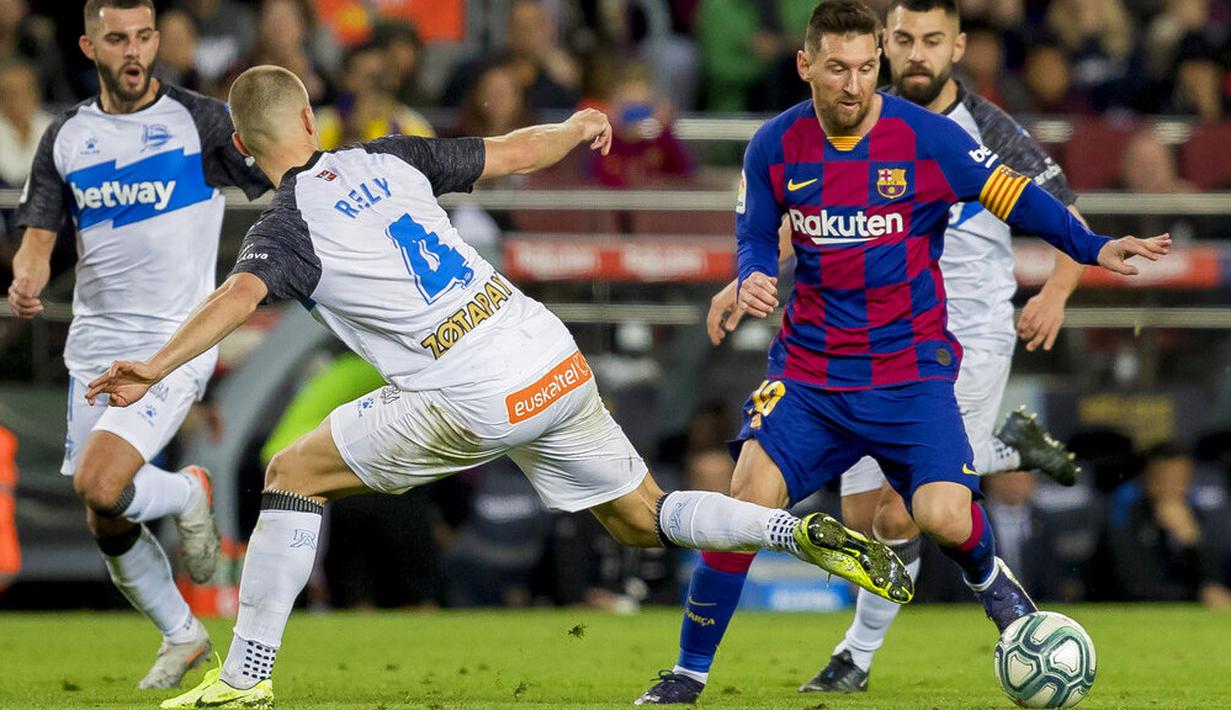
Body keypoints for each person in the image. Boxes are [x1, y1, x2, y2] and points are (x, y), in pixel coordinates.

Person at [85, 64, 912, 709]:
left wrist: (154, 365)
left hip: (468, 389)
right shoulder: (388, 155)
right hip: (545, 353)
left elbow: (238, 296)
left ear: (240, 140)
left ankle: (246, 675)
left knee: (291, 473)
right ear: (310, 119)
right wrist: (576, 126)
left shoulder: (286, 223)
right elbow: (513, 152)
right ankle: (788, 530)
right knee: (642, 517)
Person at [634, 1, 1170, 704]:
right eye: (837, 69)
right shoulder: (773, 144)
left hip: (910, 373)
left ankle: (999, 596)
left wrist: (1093, 248)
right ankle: (688, 673)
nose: (854, 85)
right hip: (810, 376)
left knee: (938, 515)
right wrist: (754, 273)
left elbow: (1018, 197)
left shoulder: (928, 137)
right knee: (744, 508)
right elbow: (758, 233)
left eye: (866, 68)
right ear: (805, 65)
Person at [6, 0, 270, 690]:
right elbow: (39, 232)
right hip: (93, 344)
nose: (133, 50)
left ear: (155, 41)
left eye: (144, 36)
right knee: (103, 510)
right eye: (117, 38)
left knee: (100, 481)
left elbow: (280, 174)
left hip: (173, 341)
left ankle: (185, 492)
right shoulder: (67, 135)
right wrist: (28, 274)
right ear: (88, 46)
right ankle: (182, 634)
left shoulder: (200, 121)